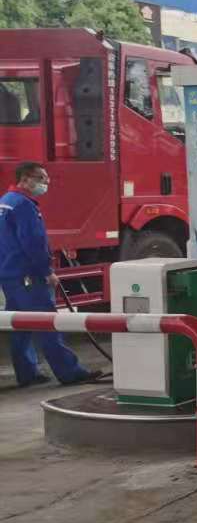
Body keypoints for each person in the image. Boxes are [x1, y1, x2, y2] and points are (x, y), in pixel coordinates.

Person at [0, 163, 104, 387]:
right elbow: (33, 243)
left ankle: (27, 374)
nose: (46, 182)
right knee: (48, 323)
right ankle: (70, 373)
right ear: (25, 179)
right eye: (41, 178)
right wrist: (46, 271)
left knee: (19, 326)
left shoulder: (6, 201)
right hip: (29, 276)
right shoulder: (24, 205)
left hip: (10, 275)